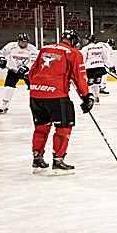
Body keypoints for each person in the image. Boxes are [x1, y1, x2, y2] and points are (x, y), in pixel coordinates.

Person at [28, 29, 92, 174]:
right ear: (74, 41)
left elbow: (32, 72)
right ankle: (58, 161)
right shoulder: (74, 53)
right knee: (63, 126)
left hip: (36, 95)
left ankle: (37, 159)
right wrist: (86, 96)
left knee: (41, 127)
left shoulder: (45, 49)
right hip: (57, 97)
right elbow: (79, 77)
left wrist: (37, 87)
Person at [0, 32, 38, 114]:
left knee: (34, 89)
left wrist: (25, 68)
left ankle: (37, 107)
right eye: (22, 42)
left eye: (25, 42)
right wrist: (1, 59)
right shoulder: (11, 46)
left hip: (27, 73)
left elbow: (34, 61)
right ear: (18, 41)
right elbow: (1, 53)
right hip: (13, 70)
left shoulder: (32, 48)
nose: (23, 44)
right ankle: (4, 106)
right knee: (8, 87)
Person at [81, 35, 115, 104]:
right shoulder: (101, 47)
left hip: (90, 68)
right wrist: (107, 64)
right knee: (97, 82)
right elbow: (105, 57)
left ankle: (91, 98)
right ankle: (96, 96)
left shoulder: (85, 48)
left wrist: (82, 67)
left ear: (88, 40)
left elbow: (83, 59)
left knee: (90, 83)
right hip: (100, 67)